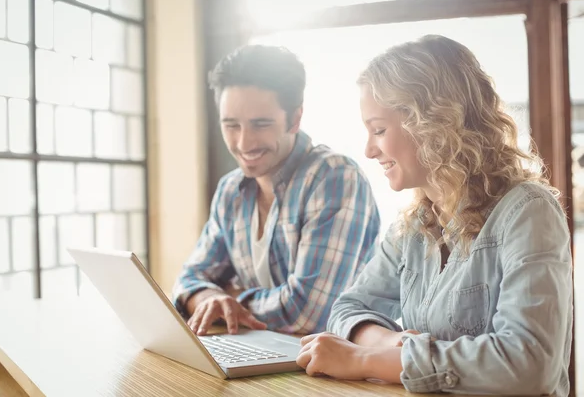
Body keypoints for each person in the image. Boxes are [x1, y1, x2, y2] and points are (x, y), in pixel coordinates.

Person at [297, 35, 573, 396]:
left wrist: (366, 360)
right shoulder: (413, 224)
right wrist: (390, 344)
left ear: (433, 124)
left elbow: (529, 364)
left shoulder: (528, 212)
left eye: (379, 130)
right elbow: (350, 306)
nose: (368, 149)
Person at [172, 45, 381, 336]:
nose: (244, 143)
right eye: (231, 125)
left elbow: (307, 314)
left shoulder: (333, 177)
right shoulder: (231, 190)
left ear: (295, 118)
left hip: (336, 372)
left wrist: (233, 298)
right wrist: (210, 299)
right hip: (264, 357)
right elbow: (188, 279)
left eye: (261, 124)